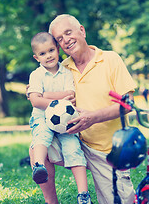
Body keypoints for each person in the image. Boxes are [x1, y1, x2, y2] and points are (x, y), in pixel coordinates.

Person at [29, 14, 137, 204]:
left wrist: (93, 117)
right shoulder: (60, 68)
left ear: (82, 30)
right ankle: (51, 202)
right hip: (72, 139)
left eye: (68, 33)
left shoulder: (110, 59)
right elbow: (38, 89)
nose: (66, 40)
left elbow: (128, 103)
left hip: (106, 151)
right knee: (38, 147)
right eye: (60, 39)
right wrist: (33, 92)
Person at [28, 32, 92, 204]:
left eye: (51, 50)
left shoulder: (66, 73)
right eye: (42, 54)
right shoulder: (36, 75)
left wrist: (46, 95)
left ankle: (83, 194)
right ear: (36, 57)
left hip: (65, 120)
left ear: (57, 49)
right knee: (42, 135)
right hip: (42, 118)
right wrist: (57, 100)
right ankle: (39, 166)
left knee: (73, 148)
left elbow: (70, 95)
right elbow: (35, 101)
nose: (48, 56)